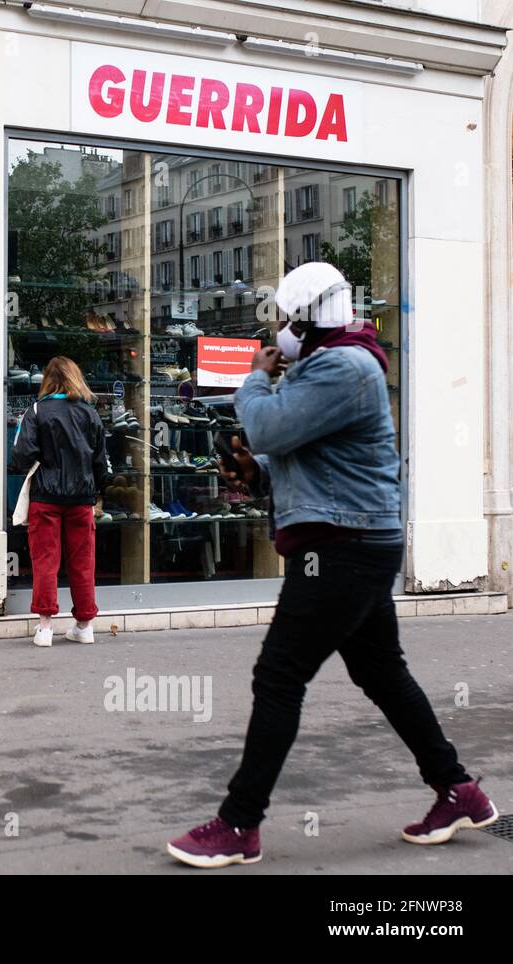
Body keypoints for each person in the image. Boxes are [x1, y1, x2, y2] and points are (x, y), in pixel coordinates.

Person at [167, 262, 497, 868]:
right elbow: (308, 455)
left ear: (309, 318)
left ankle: (240, 825)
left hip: (340, 547)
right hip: (353, 539)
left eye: (288, 321)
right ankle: (459, 791)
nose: (282, 334)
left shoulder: (342, 366)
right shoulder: (334, 362)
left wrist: (253, 379)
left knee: (279, 676)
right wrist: (256, 474)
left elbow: (266, 425)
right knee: (382, 675)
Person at [11, 356, 110, 647]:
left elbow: (21, 455)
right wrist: (96, 489)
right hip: (81, 498)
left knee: (45, 561)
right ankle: (84, 625)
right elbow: (101, 462)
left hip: (46, 497)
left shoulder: (37, 410)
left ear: (48, 380)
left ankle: (44, 628)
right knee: (83, 563)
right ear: (75, 378)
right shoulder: (89, 413)